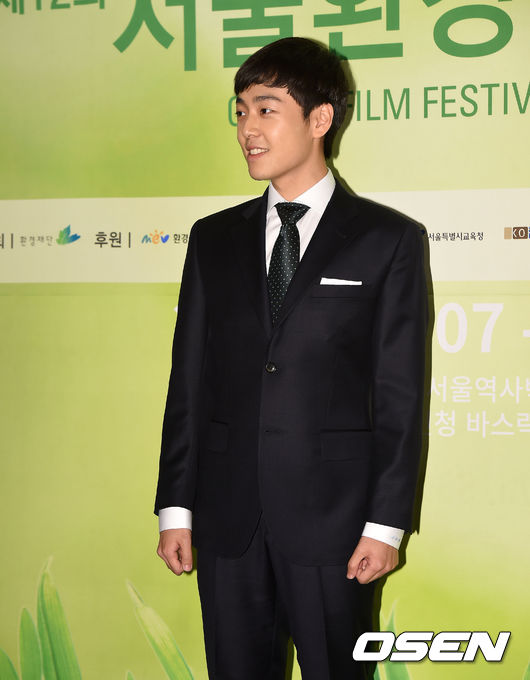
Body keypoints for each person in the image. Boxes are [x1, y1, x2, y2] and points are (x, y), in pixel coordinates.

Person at [155, 37, 427, 680]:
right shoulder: (213, 238)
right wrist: (175, 506)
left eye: (266, 109)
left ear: (320, 118)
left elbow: (400, 395)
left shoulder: (389, 240)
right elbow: (188, 380)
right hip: (228, 519)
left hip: (337, 523)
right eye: (240, 111)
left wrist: (386, 526)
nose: (247, 129)